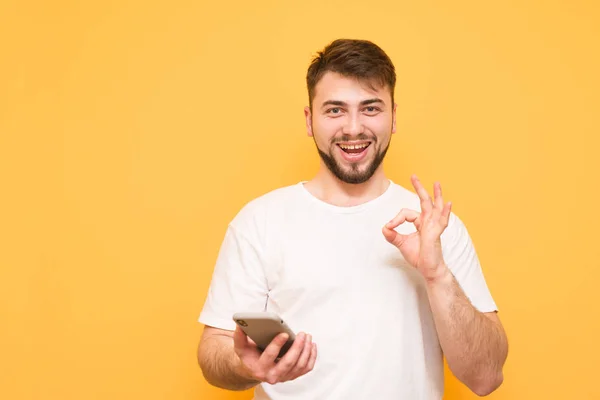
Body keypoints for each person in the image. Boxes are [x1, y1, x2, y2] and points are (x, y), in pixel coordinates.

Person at [197, 38, 508, 399]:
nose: (353, 128)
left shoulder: (435, 227)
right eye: (335, 110)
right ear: (309, 120)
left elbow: (486, 378)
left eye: (371, 108)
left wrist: (437, 275)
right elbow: (213, 350)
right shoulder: (259, 222)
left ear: (394, 116)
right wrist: (243, 366)